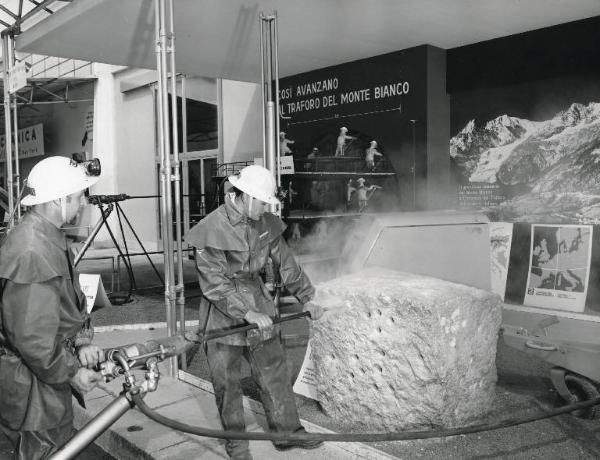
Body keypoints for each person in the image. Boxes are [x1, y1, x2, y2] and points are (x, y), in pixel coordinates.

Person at [185, 164, 323, 460]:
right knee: (227, 381)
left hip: (258, 301)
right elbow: (215, 285)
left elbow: (286, 263)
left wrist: (307, 297)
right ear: (244, 196)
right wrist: (246, 313)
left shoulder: (266, 223)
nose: (265, 209)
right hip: (222, 313)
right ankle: (236, 443)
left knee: (274, 370)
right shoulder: (211, 228)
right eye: (261, 202)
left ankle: (287, 433)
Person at [0, 156, 105, 460]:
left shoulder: (47, 237)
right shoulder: (33, 251)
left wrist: (81, 341)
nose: (83, 201)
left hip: (39, 380)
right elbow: (33, 339)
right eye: (79, 195)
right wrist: (72, 373)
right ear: (59, 199)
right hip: (33, 395)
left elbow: (65, 305)